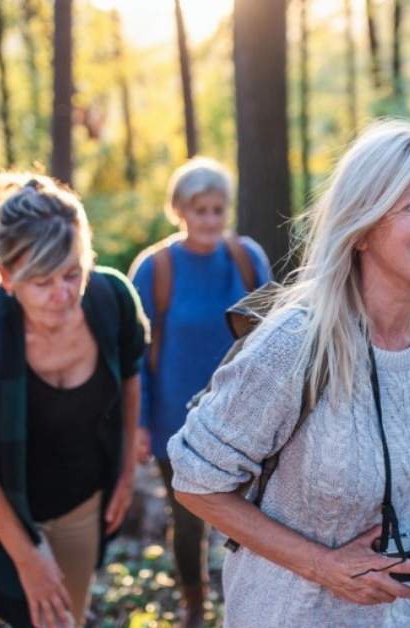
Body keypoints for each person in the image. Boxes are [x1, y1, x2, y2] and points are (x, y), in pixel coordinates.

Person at [167, 121, 410, 627]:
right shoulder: (297, 343)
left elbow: (395, 472)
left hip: (405, 614)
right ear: (363, 226)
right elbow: (195, 480)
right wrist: (325, 566)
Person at [0, 174, 148, 628]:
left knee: (68, 613)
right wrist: (28, 558)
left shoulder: (112, 301)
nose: (62, 295)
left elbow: (130, 379)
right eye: (42, 281)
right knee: (25, 613)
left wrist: (127, 471)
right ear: (7, 276)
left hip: (83, 501)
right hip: (5, 510)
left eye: (73, 273)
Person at [128, 157, 272, 627]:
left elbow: (275, 336)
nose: (210, 219)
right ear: (181, 211)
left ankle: (249, 603)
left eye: (217, 209)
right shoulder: (155, 269)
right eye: (200, 210)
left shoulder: (247, 259)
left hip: (244, 414)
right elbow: (135, 355)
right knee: (189, 517)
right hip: (178, 419)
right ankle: (194, 602)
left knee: (252, 518)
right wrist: (140, 423)